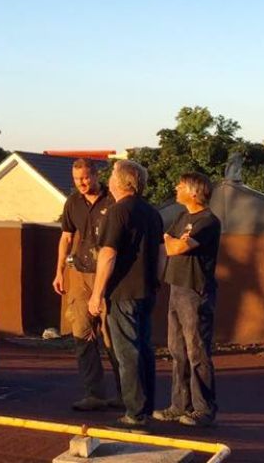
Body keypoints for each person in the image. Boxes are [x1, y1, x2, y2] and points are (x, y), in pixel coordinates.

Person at [88, 159, 163, 430]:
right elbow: (162, 253)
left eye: (112, 177)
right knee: (143, 349)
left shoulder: (117, 212)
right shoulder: (152, 213)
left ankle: (134, 413)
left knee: (126, 352)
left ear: (121, 182)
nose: (109, 181)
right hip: (146, 291)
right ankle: (146, 406)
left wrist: (97, 294)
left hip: (122, 293)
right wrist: (156, 281)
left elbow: (108, 254)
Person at [153, 172, 221, 428]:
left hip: (196, 292)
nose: (176, 187)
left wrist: (174, 241)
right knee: (177, 350)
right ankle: (179, 405)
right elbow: (168, 242)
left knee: (197, 351)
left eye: (180, 185)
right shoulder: (183, 217)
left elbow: (176, 248)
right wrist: (173, 240)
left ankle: (204, 409)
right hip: (176, 287)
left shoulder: (208, 221)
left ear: (194, 192)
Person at [53, 158, 120, 411]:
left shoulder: (113, 201)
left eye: (85, 178)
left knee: (112, 337)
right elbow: (66, 237)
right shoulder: (72, 203)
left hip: (109, 275)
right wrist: (59, 271)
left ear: (96, 176)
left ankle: (126, 394)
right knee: (82, 333)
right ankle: (94, 393)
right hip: (79, 274)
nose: (81, 183)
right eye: (76, 179)